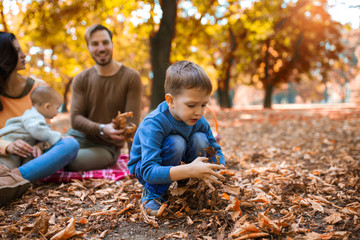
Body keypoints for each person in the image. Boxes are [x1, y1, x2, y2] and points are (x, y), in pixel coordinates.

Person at [127, 60, 226, 215]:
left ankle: (189, 188)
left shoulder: (199, 121)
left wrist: (219, 169)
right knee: (176, 142)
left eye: (203, 105)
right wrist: (189, 169)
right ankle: (154, 193)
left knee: (200, 139)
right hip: (146, 167)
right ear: (171, 101)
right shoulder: (154, 123)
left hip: (181, 161)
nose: (198, 112)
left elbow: (215, 151)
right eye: (191, 105)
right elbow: (148, 170)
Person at [0, 32, 79, 206]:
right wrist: (8, 146)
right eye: (17, 51)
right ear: (4, 56)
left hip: (30, 157)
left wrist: (40, 146)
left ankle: (12, 180)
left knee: (71, 144)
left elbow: (45, 132)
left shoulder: (39, 88)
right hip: (4, 156)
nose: (24, 55)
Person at [65, 24, 142, 171]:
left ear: (112, 44)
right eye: (95, 44)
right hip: (78, 137)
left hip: (106, 147)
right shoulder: (81, 78)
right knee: (47, 153)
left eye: (105, 42)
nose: (101, 48)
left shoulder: (131, 77)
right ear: (88, 47)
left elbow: (132, 124)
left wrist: (136, 161)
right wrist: (102, 128)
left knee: (71, 162)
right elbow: (75, 120)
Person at [0, 86, 65, 168]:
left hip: (21, 150)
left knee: (28, 159)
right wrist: (59, 137)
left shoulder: (37, 116)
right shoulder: (33, 116)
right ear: (47, 107)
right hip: (9, 149)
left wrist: (40, 145)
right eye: (57, 108)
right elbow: (38, 131)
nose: (58, 111)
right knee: (8, 165)